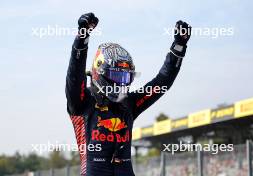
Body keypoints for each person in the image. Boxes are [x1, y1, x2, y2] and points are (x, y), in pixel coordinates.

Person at [66, 12, 191, 176]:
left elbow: (161, 83)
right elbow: (74, 76)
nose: (121, 82)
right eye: (117, 75)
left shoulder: (129, 103)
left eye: (125, 76)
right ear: (100, 71)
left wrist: (179, 47)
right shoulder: (82, 102)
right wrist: (82, 36)